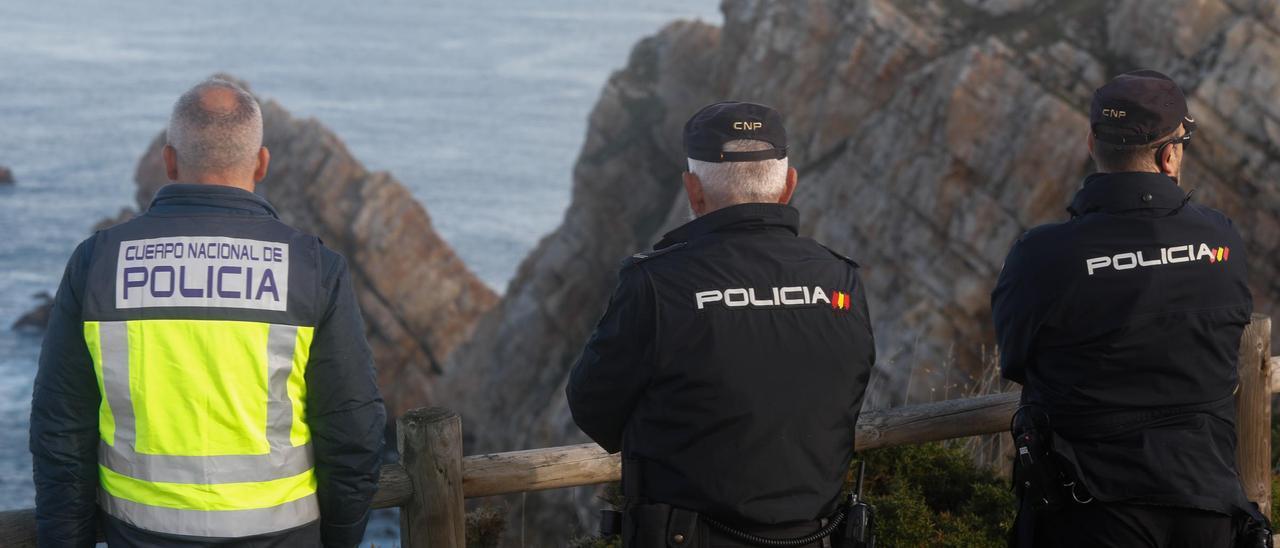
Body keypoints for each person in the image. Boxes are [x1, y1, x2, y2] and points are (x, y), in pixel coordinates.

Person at [30, 78, 387, 547]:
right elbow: (353, 431)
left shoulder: (97, 261)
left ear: (169, 161)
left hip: (138, 536)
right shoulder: (313, 267)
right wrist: (338, 540)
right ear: (261, 164)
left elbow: (60, 431)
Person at [566, 101, 876, 547]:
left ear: (693, 191)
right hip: (816, 538)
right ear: (789, 185)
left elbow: (592, 410)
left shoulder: (654, 284)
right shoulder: (842, 279)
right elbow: (847, 393)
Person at [993, 70, 1269, 548]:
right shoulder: (1219, 239)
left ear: (1090, 143)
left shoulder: (1040, 255)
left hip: (1089, 511)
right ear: (1169, 155)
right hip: (1208, 506)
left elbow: (1016, 361)